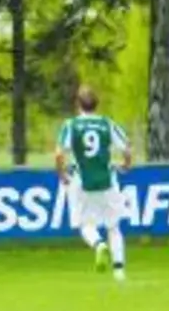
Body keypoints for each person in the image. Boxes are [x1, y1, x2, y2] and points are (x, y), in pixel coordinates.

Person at [56, 87, 132, 281]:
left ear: (78, 104)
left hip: (82, 181)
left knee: (85, 225)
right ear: (97, 104)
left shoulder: (71, 125)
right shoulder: (107, 123)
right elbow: (126, 148)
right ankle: (119, 271)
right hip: (107, 180)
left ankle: (99, 245)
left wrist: (62, 173)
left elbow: (59, 154)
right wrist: (125, 165)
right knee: (114, 227)